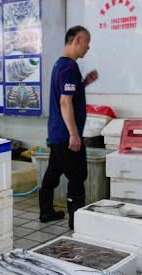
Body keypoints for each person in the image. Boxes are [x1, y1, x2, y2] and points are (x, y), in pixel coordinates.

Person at [40, 26, 98, 229]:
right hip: (66, 134)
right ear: (78, 40)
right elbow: (65, 103)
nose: (88, 47)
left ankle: (46, 212)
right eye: (87, 42)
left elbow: (67, 95)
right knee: (77, 175)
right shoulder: (69, 67)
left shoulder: (61, 65)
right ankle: (77, 223)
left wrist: (84, 83)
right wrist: (74, 134)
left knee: (53, 173)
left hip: (56, 132)